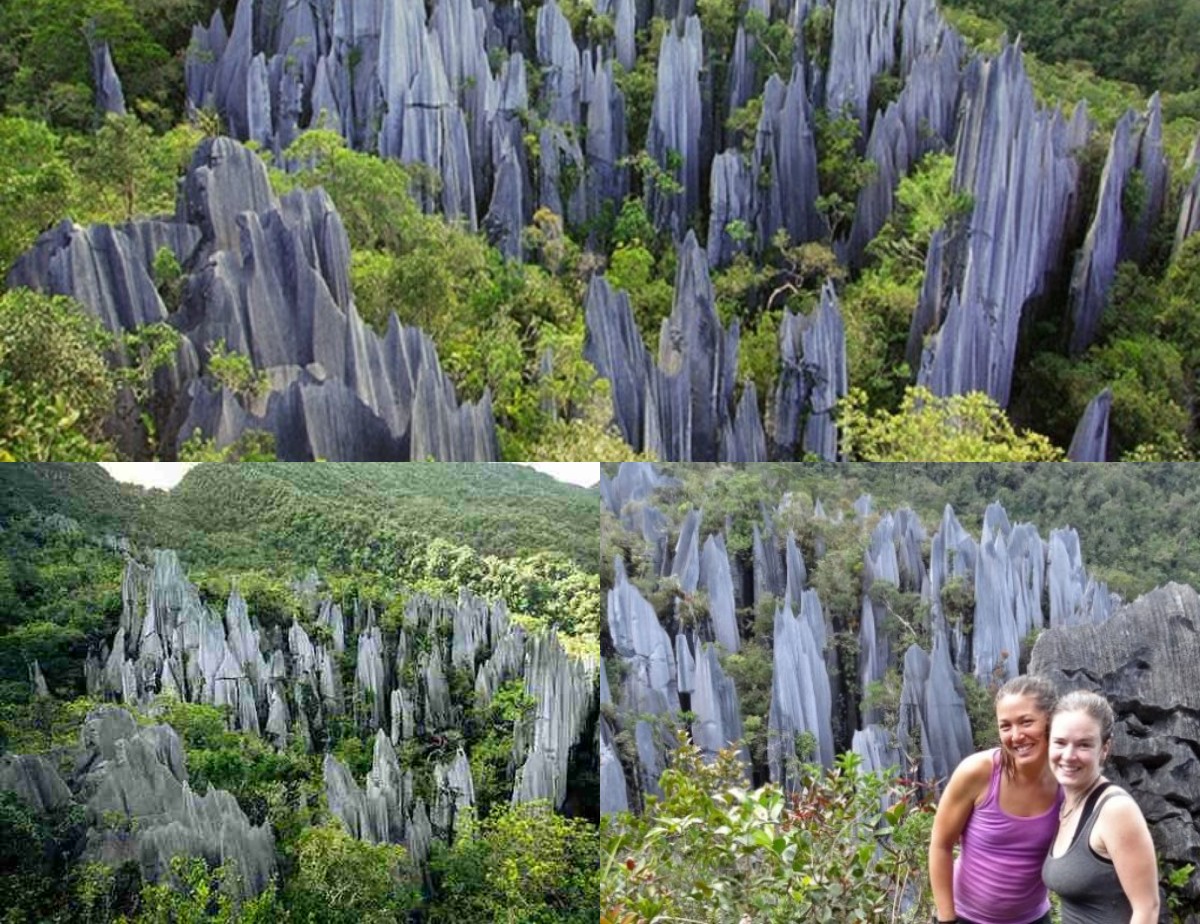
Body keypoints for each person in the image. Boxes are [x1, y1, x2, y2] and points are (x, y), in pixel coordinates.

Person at [928, 674, 1064, 924]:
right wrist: (946, 918)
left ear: (1050, 720)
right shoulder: (978, 772)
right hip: (966, 917)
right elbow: (940, 845)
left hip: (1033, 919)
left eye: (1026, 722)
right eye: (1005, 726)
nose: (1016, 735)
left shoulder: (1067, 783)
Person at [1042, 690, 1160, 923]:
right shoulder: (1066, 803)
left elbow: (1147, 909)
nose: (1068, 755)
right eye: (1060, 742)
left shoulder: (1115, 811)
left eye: (1084, 745)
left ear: (1105, 749)